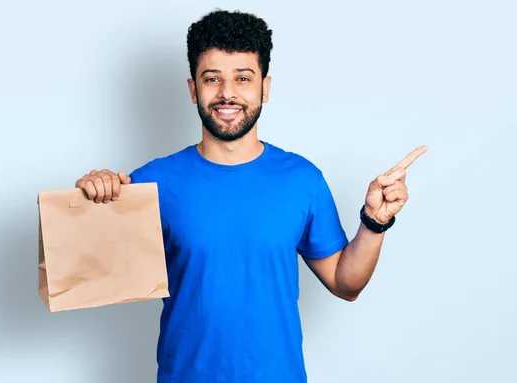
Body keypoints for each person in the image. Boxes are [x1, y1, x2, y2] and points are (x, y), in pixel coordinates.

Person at [75, 9, 426, 383]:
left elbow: (346, 285)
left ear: (265, 88)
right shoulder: (150, 182)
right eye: (213, 79)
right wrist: (93, 199)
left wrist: (375, 222)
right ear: (194, 89)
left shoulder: (302, 180)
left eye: (243, 78)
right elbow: (89, 272)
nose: (228, 93)